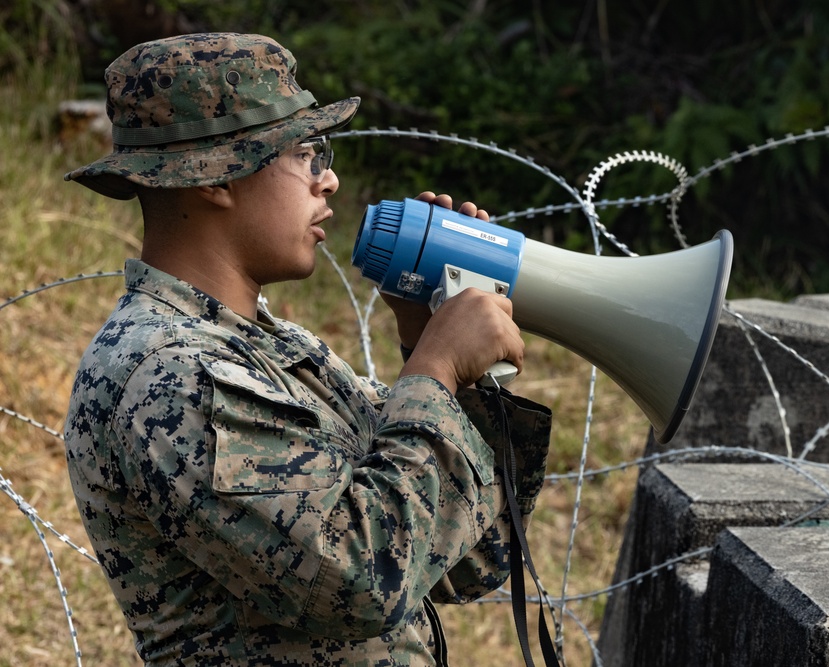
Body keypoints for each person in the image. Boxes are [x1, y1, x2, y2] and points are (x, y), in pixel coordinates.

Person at [62, 32, 551, 666]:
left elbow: (466, 555)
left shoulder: (267, 348)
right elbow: (365, 579)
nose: (330, 180)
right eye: (307, 154)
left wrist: (430, 344)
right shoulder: (170, 373)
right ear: (218, 175)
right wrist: (435, 369)